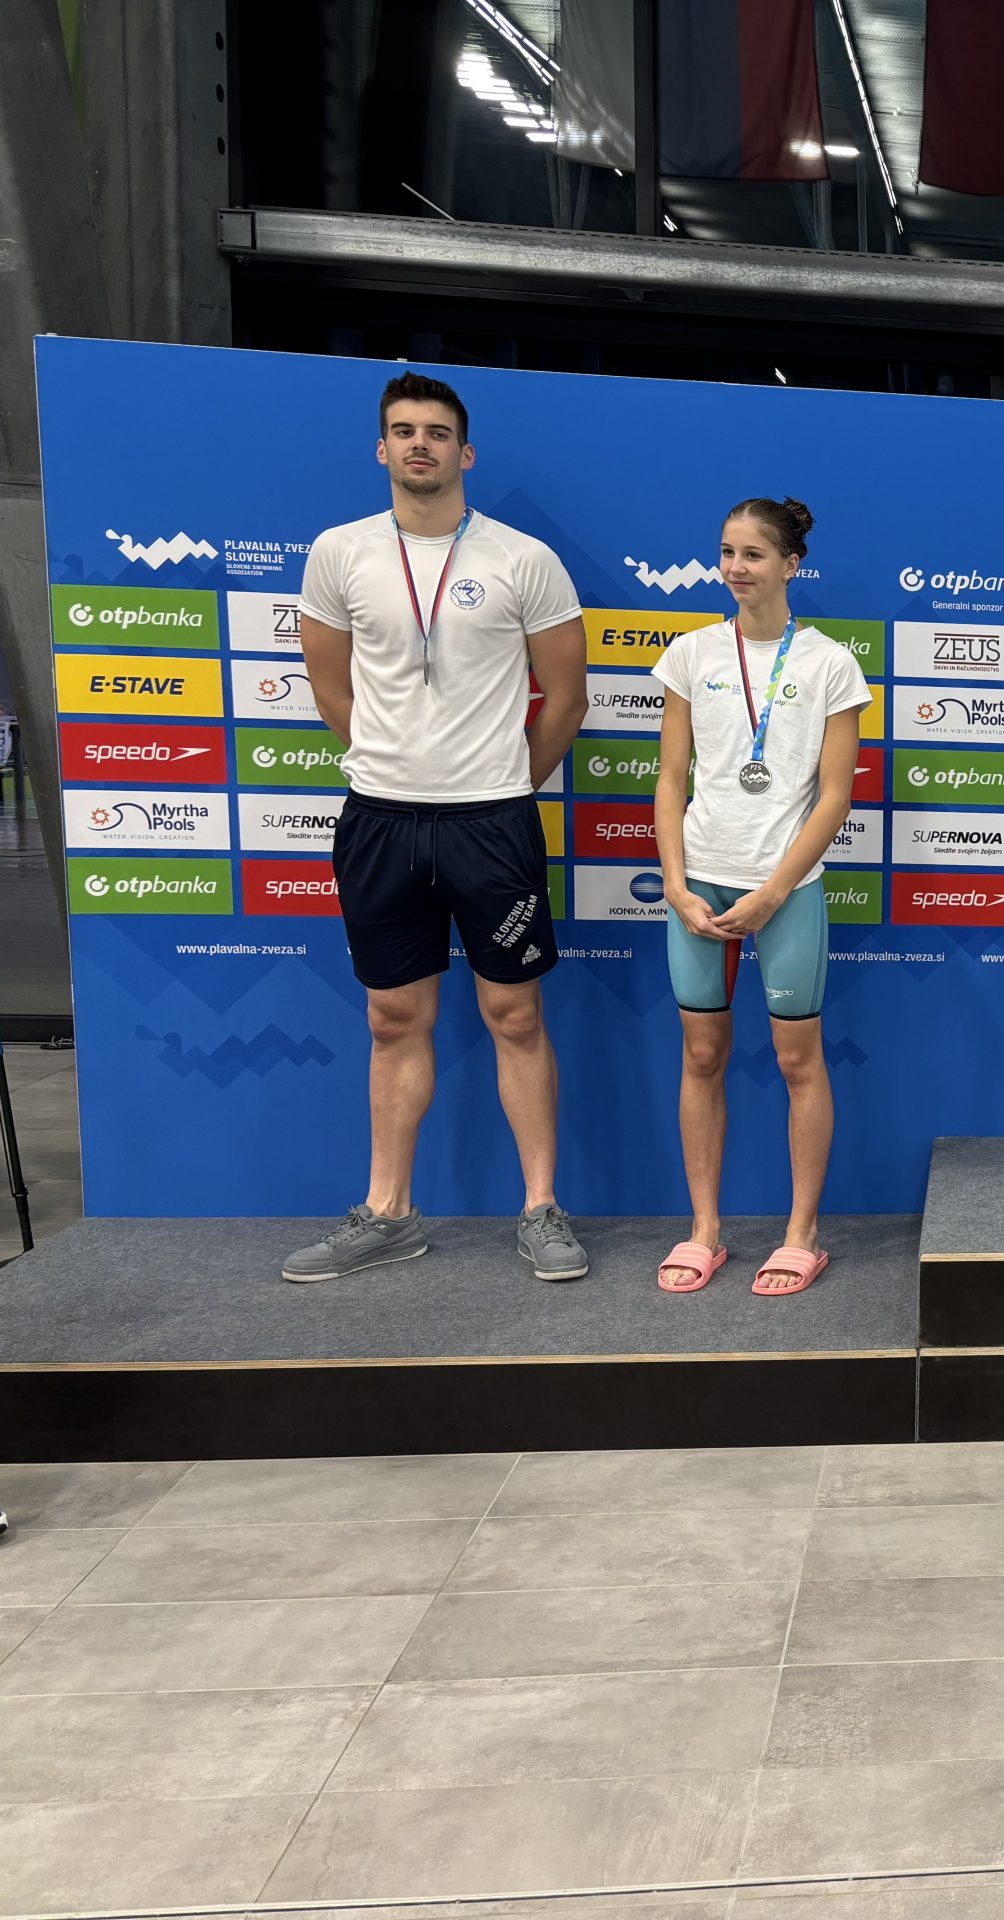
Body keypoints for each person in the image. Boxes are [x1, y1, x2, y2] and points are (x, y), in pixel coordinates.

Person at [286, 373, 591, 1283]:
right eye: (404, 430)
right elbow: (330, 686)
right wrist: (394, 764)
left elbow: (567, 698)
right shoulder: (339, 552)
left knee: (515, 1014)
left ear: (466, 452)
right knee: (392, 1018)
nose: (420, 443)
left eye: (437, 432)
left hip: (492, 823)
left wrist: (501, 783)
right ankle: (389, 1212)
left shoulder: (523, 558)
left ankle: (541, 1207)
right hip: (379, 821)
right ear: (381, 448)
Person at [651, 498, 866, 1294]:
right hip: (700, 887)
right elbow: (670, 778)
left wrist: (774, 892)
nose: (736, 568)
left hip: (787, 889)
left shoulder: (829, 663)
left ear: (791, 564)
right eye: (726, 552)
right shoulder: (690, 653)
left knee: (796, 1060)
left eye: (753, 554)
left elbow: (835, 797)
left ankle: (801, 1234)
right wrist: (676, 884)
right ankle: (704, 1230)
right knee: (702, 1054)